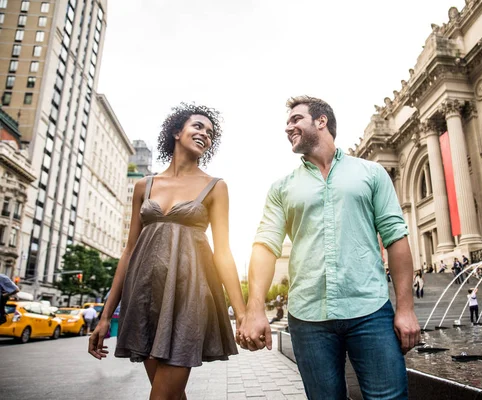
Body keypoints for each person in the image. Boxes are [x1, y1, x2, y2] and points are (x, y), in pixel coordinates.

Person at [239, 96, 420, 400]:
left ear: (321, 121)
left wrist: (406, 309)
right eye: (287, 122)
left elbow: (396, 238)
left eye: (296, 119)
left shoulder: (372, 174)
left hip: (370, 311)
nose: (288, 127)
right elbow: (265, 247)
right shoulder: (281, 188)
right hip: (308, 319)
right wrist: (255, 308)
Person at [88, 103, 246, 400]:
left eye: (210, 133)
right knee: (171, 395)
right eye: (198, 126)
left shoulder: (216, 187)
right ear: (176, 131)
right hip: (145, 298)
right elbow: (129, 252)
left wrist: (242, 313)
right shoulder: (143, 187)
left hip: (189, 299)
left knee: (161, 397)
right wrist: (106, 316)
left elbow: (222, 252)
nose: (205, 134)